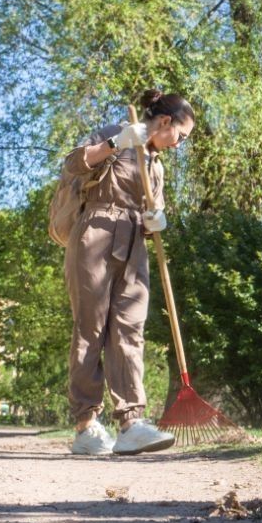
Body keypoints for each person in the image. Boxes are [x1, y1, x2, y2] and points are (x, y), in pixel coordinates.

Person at [61, 89, 194, 455]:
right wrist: (115, 143)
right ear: (164, 122)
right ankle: (86, 426)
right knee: (90, 329)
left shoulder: (157, 165)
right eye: (180, 136)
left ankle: (131, 422)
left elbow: (155, 211)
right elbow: (74, 163)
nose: (179, 145)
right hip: (96, 234)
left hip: (134, 243)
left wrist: (156, 222)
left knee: (129, 331)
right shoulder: (116, 133)